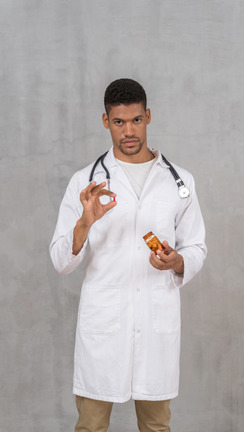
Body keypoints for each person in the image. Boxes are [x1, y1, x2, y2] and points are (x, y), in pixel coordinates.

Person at [49, 78, 207, 432]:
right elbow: (61, 260)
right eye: (119, 122)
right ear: (106, 122)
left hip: (155, 320)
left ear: (148, 116)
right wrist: (84, 224)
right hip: (104, 324)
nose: (129, 131)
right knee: (90, 427)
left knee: (156, 426)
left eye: (136, 120)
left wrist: (177, 261)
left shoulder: (179, 181)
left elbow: (196, 245)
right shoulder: (85, 183)